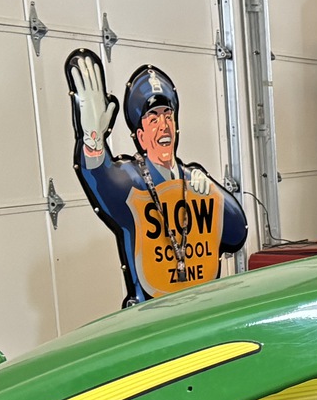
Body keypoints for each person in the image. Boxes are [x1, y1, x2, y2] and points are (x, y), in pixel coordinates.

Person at [65, 49, 246, 304]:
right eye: (152, 118)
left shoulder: (194, 182)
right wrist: (94, 140)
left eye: (167, 115)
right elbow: (103, 178)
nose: (163, 126)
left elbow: (236, 234)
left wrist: (215, 192)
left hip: (202, 306)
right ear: (140, 136)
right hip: (152, 314)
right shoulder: (132, 180)